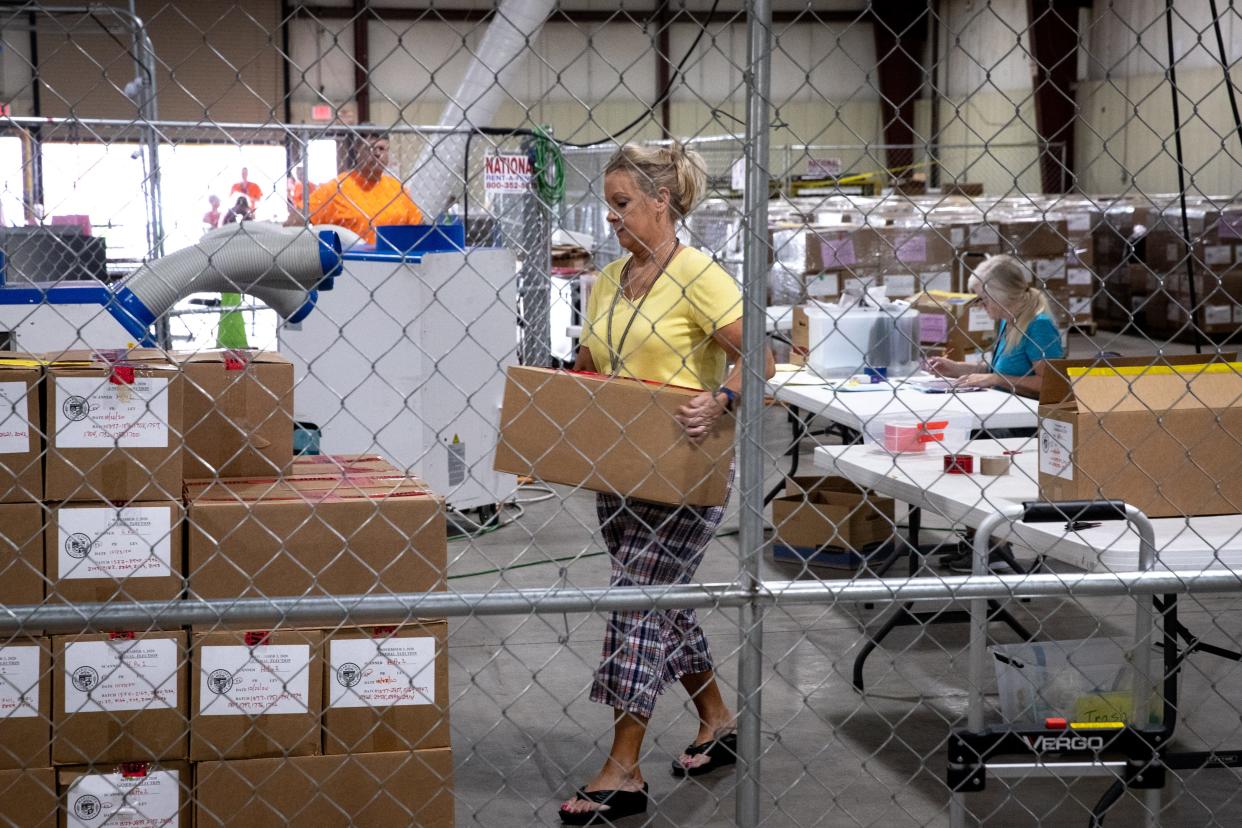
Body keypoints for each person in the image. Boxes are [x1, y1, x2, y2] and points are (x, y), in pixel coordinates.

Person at [558, 143, 775, 825]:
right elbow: (589, 365)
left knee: (636, 600)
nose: (611, 218)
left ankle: (624, 767)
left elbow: (760, 359)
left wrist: (723, 399)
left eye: (623, 205)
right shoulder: (607, 280)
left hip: (685, 469)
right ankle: (717, 718)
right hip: (620, 471)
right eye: (608, 204)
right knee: (664, 604)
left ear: (663, 203)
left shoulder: (700, 276)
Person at [926, 253, 1064, 397]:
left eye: (983, 299)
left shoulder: (1038, 325)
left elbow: (1050, 383)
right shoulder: (1008, 321)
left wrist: (997, 379)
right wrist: (955, 368)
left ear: (1000, 295)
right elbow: (998, 371)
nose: (980, 306)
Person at [294, 132, 422, 244]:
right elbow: (296, 219)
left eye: (381, 149)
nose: (377, 154)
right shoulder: (337, 188)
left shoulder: (398, 190)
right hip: (351, 264)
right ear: (357, 151)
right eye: (370, 148)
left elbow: (420, 227)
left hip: (396, 261)